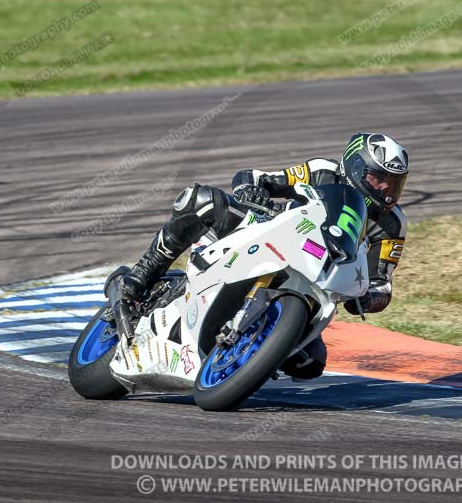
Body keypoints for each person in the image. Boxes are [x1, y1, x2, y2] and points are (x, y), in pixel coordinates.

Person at [120, 133, 410, 379]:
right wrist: (252, 191)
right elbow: (258, 178)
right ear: (355, 168)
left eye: (394, 183)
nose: (386, 190)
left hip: (316, 282)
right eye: (377, 179)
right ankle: (142, 275)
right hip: (268, 234)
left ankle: (253, 352)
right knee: (203, 200)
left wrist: (368, 298)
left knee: (310, 364)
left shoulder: (393, 224)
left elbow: (381, 280)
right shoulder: (323, 170)